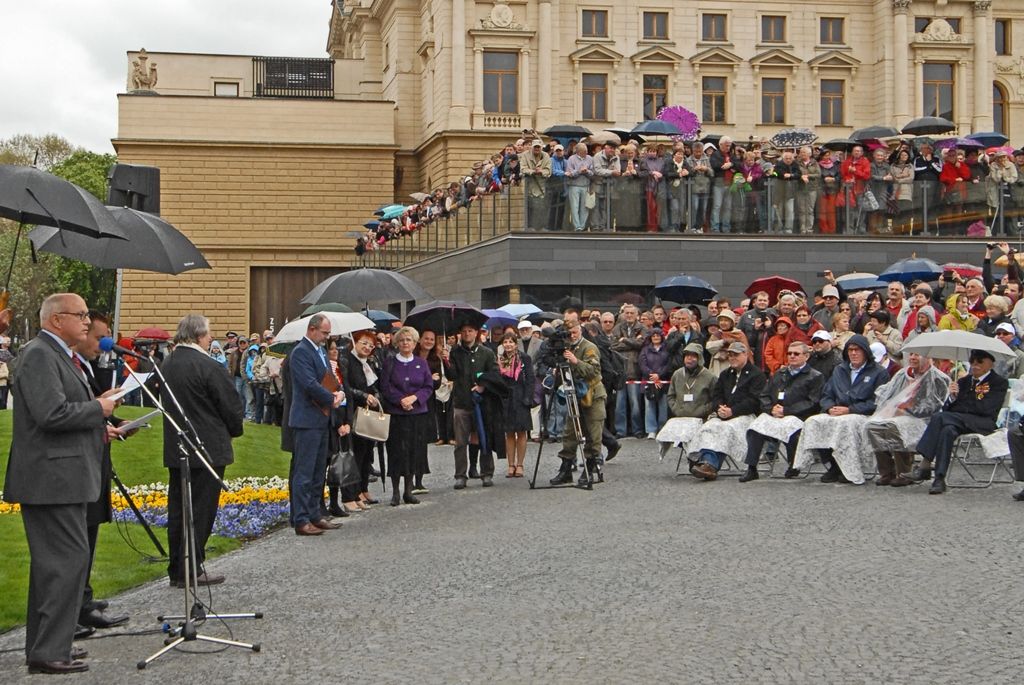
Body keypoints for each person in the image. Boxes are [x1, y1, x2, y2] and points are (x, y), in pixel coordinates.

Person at [3, 294, 116, 675]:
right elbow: (50, 414)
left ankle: (50, 645)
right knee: (64, 564)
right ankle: (49, 651)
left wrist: (100, 422)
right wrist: (97, 409)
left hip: (63, 477)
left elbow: (62, 411)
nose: (88, 323)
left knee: (59, 564)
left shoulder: (58, 355)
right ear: (55, 319)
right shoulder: (39, 354)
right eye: (80, 315)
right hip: (51, 480)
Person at [161, 314, 245, 587]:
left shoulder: (167, 363)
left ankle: (178, 566)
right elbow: (230, 405)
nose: (211, 339)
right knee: (201, 509)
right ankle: (191, 567)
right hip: (206, 446)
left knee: (179, 509)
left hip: (177, 446)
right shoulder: (207, 365)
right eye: (208, 334)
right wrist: (234, 430)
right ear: (198, 336)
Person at [74, 311, 131, 630]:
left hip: (95, 459)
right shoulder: (68, 363)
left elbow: (89, 409)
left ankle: (83, 598)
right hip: (77, 466)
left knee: (90, 532)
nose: (102, 343)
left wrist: (115, 422)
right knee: (78, 536)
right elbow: (67, 412)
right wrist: (101, 407)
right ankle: (77, 605)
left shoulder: (86, 365)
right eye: (97, 336)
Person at [793, 334, 890, 484]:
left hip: (862, 414)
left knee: (846, 424)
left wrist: (851, 409)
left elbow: (878, 402)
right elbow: (826, 394)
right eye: (850, 350)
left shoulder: (879, 372)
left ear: (865, 352)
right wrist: (829, 407)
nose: (853, 353)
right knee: (813, 422)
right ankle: (832, 465)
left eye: (857, 350)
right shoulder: (839, 370)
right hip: (837, 411)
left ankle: (848, 469)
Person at [914, 349, 1009, 494]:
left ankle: (925, 464)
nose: (974, 365)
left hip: (983, 422)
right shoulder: (964, 381)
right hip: (959, 421)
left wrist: (963, 404)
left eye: (979, 362)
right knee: (947, 430)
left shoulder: (998, 383)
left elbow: (986, 409)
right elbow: (950, 409)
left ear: (990, 364)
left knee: (939, 417)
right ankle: (939, 479)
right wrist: (953, 397)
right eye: (972, 362)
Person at [288, 313, 346, 535]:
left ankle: (314, 514)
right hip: (307, 419)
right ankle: (301, 519)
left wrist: (338, 391)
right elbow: (309, 384)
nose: (327, 337)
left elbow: (327, 378)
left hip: (321, 418)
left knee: (318, 471)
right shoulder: (300, 353)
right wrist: (332, 398)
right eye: (324, 332)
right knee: (304, 472)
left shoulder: (320, 351)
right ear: (312, 329)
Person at [738, 341, 824, 482]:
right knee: (755, 428)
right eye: (789, 353)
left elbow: (813, 402)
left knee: (790, 428)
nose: (792, 356)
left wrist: (787, 411)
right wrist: (770, 409)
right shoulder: (780, 373)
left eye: (796, 354)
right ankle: (751, 468)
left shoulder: (815, 376)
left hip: (798, 416)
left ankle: (794, 465)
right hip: (775, 413)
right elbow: (764, 395)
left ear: (806, 356)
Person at [865, 352, 950, 487]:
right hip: (896, 414)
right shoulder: (901, 374)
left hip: (923, 420)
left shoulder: (939, 378)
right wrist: (888, 409)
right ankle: (886, 471)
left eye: (918, 355)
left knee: (895, 426)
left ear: (928, 358)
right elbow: (886, 393)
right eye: (911, 354)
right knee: (872, 425)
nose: (912, 358)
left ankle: (903, 471)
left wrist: (906, 410)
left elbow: (934, 406)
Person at [690, 342, 767, 480]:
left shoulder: (757, 375)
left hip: (746, 415)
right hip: (724, 414)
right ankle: (706, 462)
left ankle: (710, 464)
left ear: (745, 354)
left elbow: (754, 401)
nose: (732, 358)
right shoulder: (725, 374)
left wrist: (733, 411)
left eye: (736, 355)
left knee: (726, 429)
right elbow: (717, 395)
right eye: (730, 355)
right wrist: (720, 408)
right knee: (709, 427)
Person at [548, 318, 607, 486]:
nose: (572, 336)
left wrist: (575, 361)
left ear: (580, 330)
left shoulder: (589, 347)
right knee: (570, 432)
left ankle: (591, 467)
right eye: (569, 333)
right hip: (574, 394)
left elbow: (593, 371)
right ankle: (566, 468)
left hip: (592, 394)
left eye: (574, 332)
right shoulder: (566, 347)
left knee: (593, 433)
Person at [380, 326, 435, 506]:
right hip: (397, 414)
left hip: (417, 413)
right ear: (397, 343)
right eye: (402, 340)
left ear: (414, 343)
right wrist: (400, 400)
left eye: (409, 340)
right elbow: (386, 387)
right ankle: (395, 491)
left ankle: (408, 490)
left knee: (413, 450)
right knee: (397, 451)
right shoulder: (390, 363)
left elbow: (428, 386)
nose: (405, 343)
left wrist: (415, 398)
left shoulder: (421, 362)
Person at [338, 330, 382, 513]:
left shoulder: (368, 363)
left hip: (367, 413)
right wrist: (364, 396)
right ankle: (351, 494)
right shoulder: (347, 360)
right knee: (353, 455)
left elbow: (373, 385)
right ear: (355, 342)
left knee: (365, 455)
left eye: (371, 345)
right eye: (364, 343)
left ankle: (362, 490)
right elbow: (348, 387)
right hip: (354, 411)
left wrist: (375, 396)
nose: (367, 348)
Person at [450, 322, 498, 489]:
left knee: (483, 439)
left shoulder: (486, 353)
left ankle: (486, 472)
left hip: (481, 403)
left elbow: (494, 373)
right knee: (460, 442)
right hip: (461, 402)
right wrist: (446, 361)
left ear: (476, 332)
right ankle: (460, 475)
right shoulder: (455, 352)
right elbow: (452, 375)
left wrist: (482, 386)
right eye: (464, 331)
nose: (467, 334)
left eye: (470, 331)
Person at [498, 331, 535, 477]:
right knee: (509, 433)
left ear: (515, 343)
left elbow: (531, 379)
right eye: (505, 342)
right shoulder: (500, 359)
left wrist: (528, 398)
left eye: (511, 342)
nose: (508, 345)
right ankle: (510, 464)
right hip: (507, 398)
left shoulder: (524, 358)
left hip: (521, 397)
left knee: (521, 432)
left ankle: (520, 464)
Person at [611, 304, 647, 438]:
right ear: (623, 314)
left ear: (637, 314)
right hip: (620, 371)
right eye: (627, 313)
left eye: (632, 313)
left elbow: (641, 344)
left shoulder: (642, 328)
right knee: (619, 405)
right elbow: (613, 346)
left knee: (635, 404)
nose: (629, 315)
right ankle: (621, 431)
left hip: (635, 371)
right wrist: (632, 343)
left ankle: (637, 430)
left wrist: (625, 340)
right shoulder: (617, 328)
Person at [639, 329, 670, 438]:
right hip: (649, 381)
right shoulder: (645, 350)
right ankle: (651, 430)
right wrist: (652, 375)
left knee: (663, 406)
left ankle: (662, 429)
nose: (656, 337)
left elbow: (668, 364)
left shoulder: (667, 349)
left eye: (658, 335)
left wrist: (659, 375)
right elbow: (642, 364)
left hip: (663, 381)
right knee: (649, 406)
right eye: (653, 336)